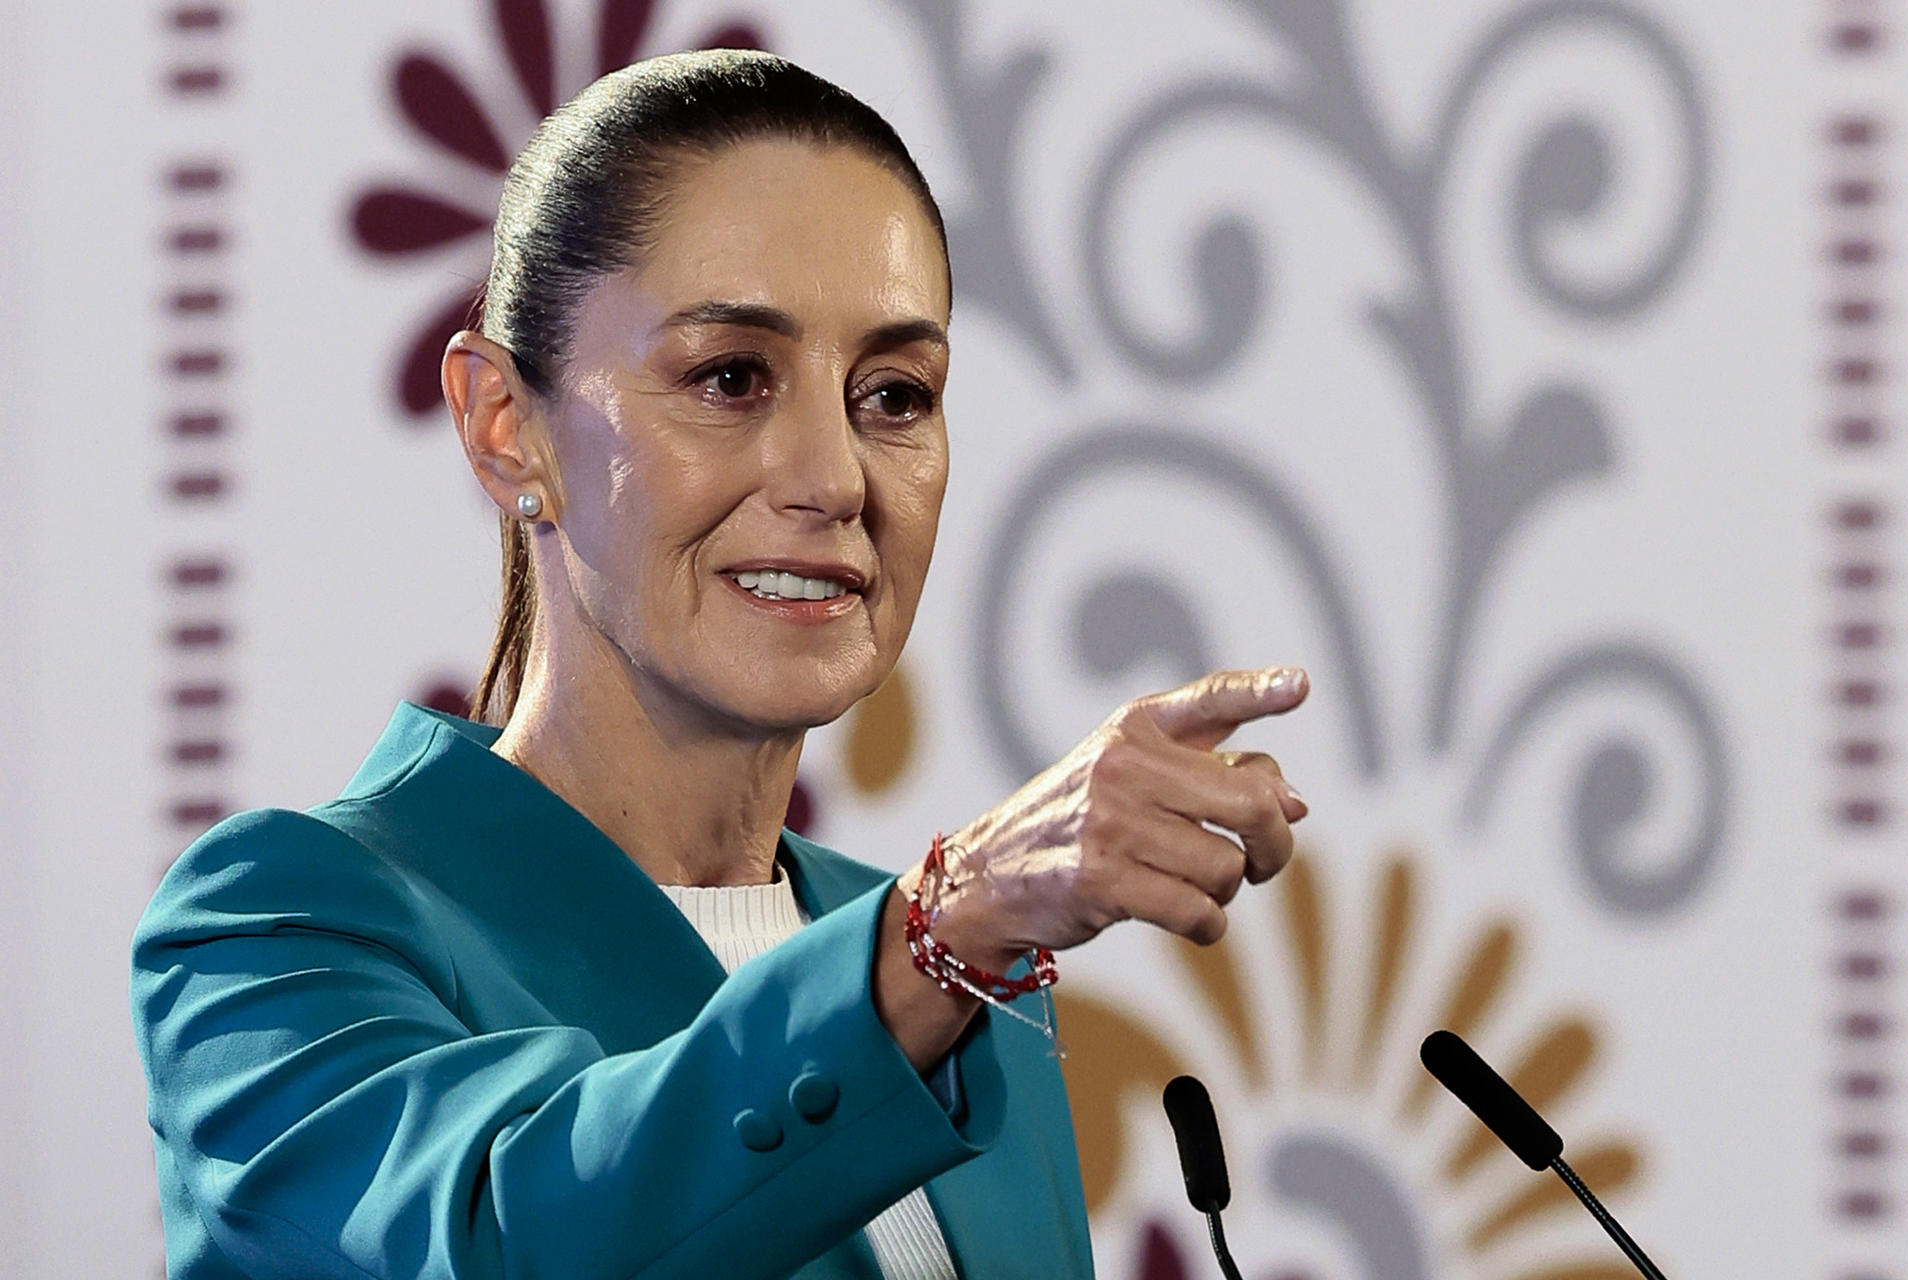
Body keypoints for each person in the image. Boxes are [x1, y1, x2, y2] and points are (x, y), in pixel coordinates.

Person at [129, 49, 1311, 1280]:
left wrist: (943, 936)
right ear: (504, 426)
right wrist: (947, 923)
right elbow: (500, 1241)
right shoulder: (275, 922)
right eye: (730, 377)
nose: (833, 477)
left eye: (895, 394)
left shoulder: (962, 978)